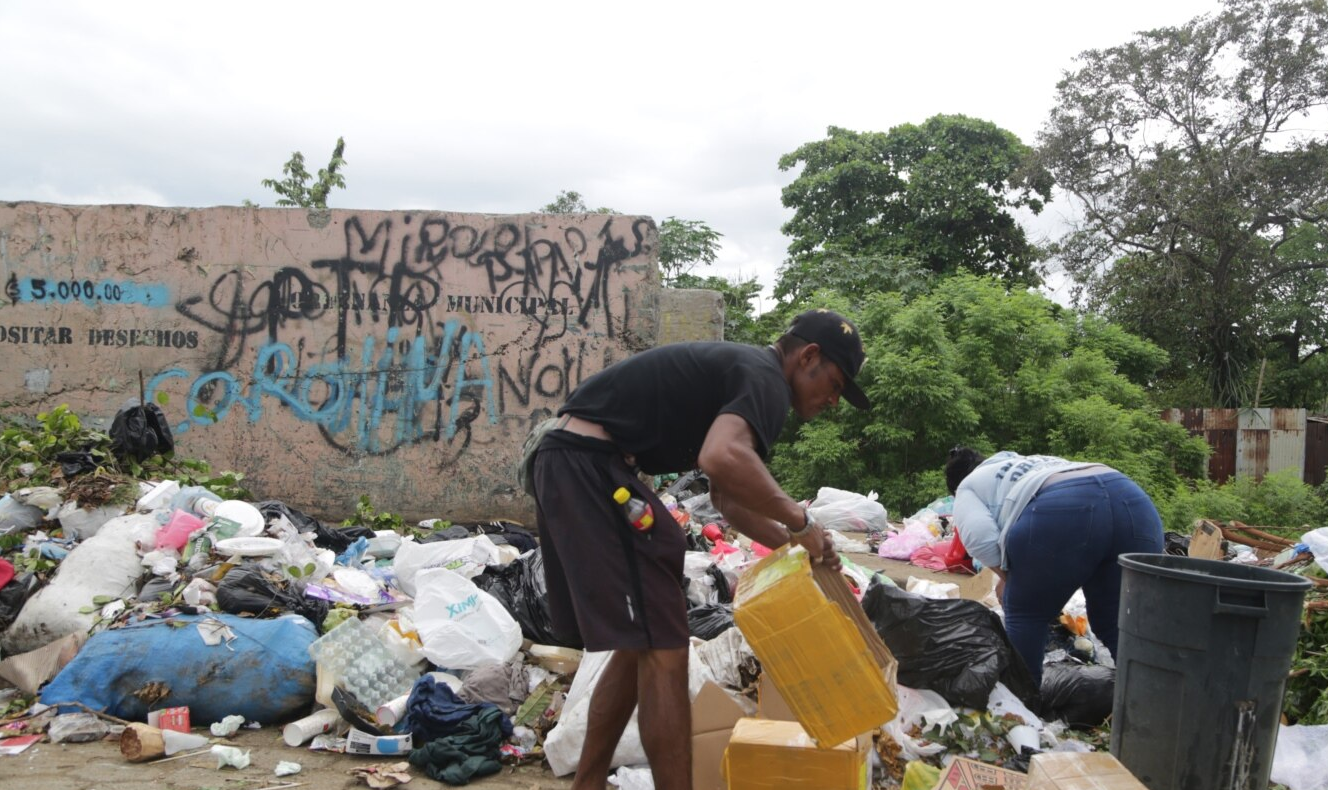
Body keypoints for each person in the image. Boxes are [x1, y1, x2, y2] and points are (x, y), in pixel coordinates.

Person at [530, 308, 869, 790]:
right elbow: (721, 456)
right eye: (834, 384)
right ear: (808, 356)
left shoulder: (752, 374)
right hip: (589, 465)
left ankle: (588, 784)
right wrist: (802, 519)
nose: (833, 400)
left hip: (578, 461)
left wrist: (800, 546)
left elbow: (726, 498)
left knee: (638, 644)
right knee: (665, 643)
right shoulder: (766, 378)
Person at [944, 448, 1163, 688]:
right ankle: (1150, 701)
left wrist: (1008, 580)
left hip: (1065, 510)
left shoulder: (967, 486)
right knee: (1117, 620)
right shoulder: (1026, 463)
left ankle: (1023, 711)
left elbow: (980, 538)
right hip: (1133, 502)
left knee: (1026, 613)